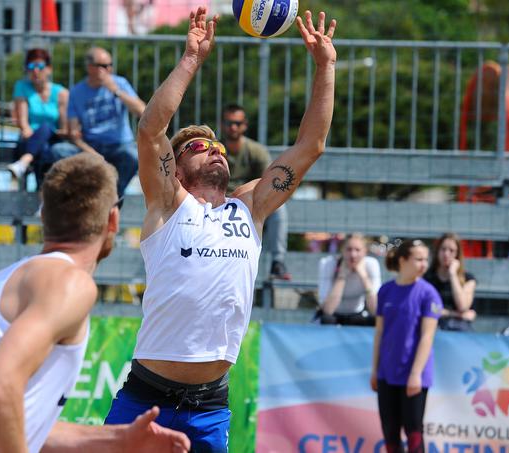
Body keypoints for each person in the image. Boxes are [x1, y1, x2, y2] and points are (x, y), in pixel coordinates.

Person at [105, 7, 336, 451]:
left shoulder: (250, 206)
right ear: (177, 166)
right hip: (146, 397)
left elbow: (311, 146)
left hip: (210, 403)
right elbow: (151, 129)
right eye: (197, 147)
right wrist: (190, 60)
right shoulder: (169, 202)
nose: (214, 151)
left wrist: (325, 67)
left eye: (217, 147)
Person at [0, 153, 190, 453]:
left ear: (43, 216)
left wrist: (115, 441)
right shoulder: (70, 281)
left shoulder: (5, 278)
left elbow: (12, 422)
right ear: (114, 218)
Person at [371, 239, 443, 453]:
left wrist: (415, 374)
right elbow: (379, 333)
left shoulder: (428, 293)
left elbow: (427, 337)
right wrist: (375, 370)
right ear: (403, 260)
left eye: (426, 259)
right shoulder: (385, 291)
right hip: (387, 373)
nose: (424, 264)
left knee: (413, 432)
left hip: (414, 375)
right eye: (418, 259)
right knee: (390, 433)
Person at [222, 103, 291, 280]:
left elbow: (268, 183)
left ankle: (278, 262)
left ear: (244, 125)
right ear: (222, 124)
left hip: (250, 201)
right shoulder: (216, 149)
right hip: (221, 203)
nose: (233, 127)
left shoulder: (256, 151)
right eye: (229, 123)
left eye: (237, 123)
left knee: (279, 209)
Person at [67, 46, 146, 196]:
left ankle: (110, 198)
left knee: (133, 156)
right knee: (59, 151)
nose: (108, 69)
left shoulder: (120, 83)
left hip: (119, 144)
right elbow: (74, 132)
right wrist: (92, 153)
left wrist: (116, 92)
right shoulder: (76, 92)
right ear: (90, 67)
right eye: (103, 66)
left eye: (110, 65)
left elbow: (142, 111)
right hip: (91, 145)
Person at [8, 48, 79, 187]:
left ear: (49, 69)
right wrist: (26, 129)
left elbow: (64, 127)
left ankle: (24, 162)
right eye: (31, 66)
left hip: (53, 137)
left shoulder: (61, 93)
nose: (35, 71)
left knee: (46, 130)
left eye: (40, 66)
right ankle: (43, 192)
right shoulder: (22, 87)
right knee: (45, 147)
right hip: (30, 139)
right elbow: (23, 121)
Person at [316, 233, 381, 326]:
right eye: (349, 249)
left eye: (357, 250)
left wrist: (364, 276)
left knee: (376, 321)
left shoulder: (371, 264)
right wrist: (341, 277)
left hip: (358, 314)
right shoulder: (328, 263)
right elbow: (328, 310)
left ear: (365, 251)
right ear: (342, 250)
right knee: (327, 320)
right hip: (334, 315)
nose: (353, 255)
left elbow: (375, 310)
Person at [424, 232, 477, 331]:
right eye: (443, 249)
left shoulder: (468, 279)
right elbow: (427, 309)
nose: (446, 254)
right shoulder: (427, 278)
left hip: (459, 329)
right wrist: (455, 314)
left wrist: (453, 274)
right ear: (437, 251)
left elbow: (462, 306)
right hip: (434, 326)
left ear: (457, 254)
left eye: (451, 250)